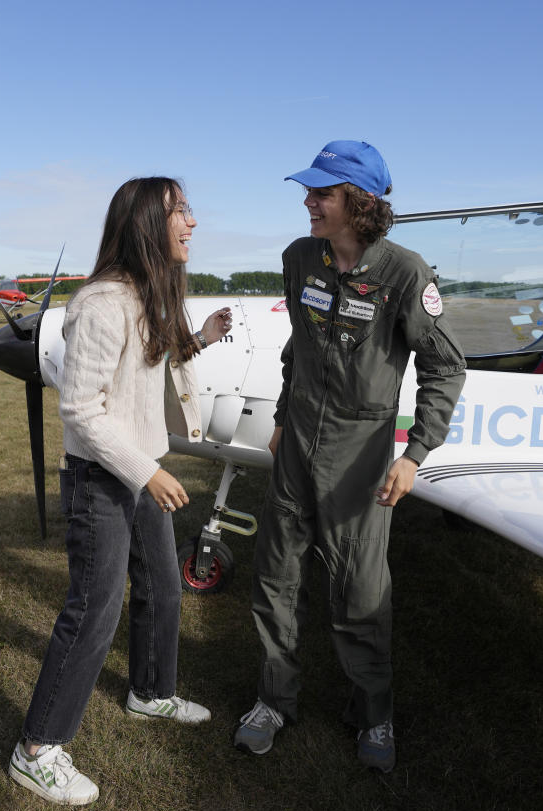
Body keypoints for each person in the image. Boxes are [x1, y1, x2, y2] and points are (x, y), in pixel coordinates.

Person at [233, 141, 467, 773]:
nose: (308, 203)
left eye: (322, 194)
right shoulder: (298, 258)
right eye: (309, 192)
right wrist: (284, 417)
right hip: (296, 445)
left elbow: (445, 368)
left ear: (359, 205)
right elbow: (297, 349)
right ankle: (273, 701)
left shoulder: (404, 275)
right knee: (275, 576)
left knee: (361, 590)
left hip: (361, 452)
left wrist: (415, 452)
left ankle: (373, 714)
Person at [9, 177, 234, 806]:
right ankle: (37, 749)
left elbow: (152, 361)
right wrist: (149, 472)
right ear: (143, 225)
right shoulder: (103, 302)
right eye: (180, 212)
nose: (192, 222)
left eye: (189, 209)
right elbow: (81, 411)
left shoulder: (148, 294)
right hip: (102, 479)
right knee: (94, 608)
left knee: (162, 587)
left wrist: (205, 335)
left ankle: (151, 693)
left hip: (137, 471)